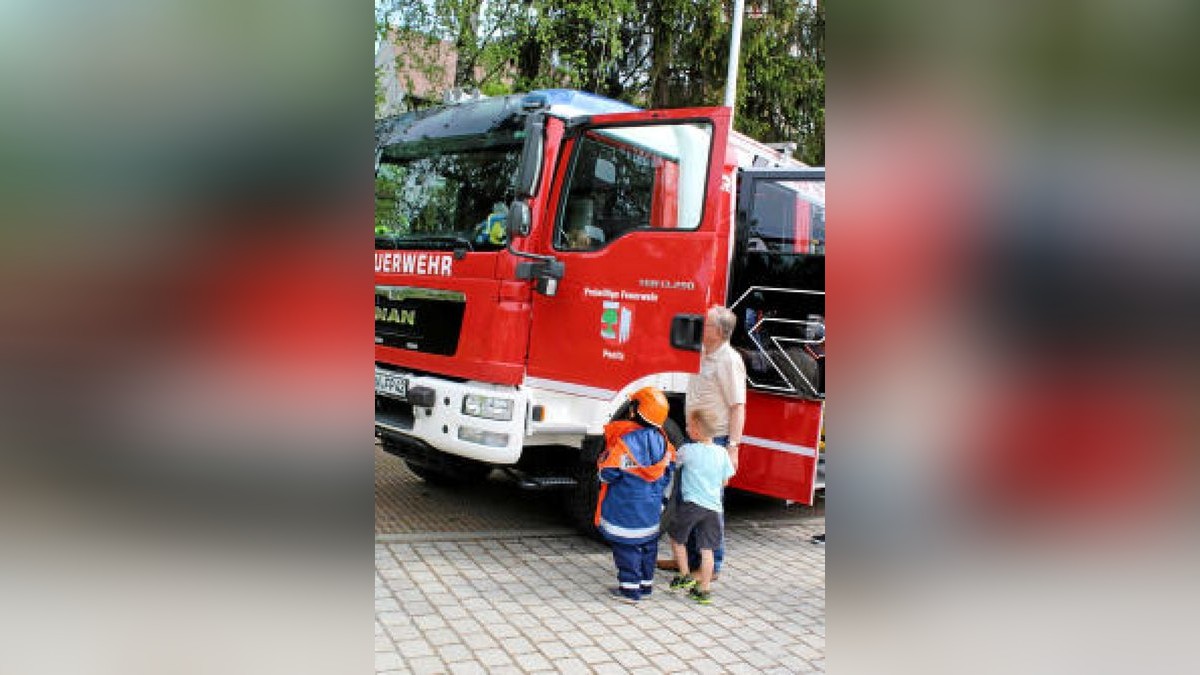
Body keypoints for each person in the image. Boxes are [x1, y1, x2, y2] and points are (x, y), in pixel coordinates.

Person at [658, 305, 746, 578]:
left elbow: (738, 406)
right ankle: (687, 557)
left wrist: (732, 447)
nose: (699, 326)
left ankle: (712, 566)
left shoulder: (729, 361)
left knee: (708, 502)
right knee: (686, 498)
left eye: (705, 324)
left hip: (715, 439)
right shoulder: (702, 353)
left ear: (719, 332)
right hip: (695, 435)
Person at [596, 386, 676, 604]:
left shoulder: (624, 444)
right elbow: (669, 470)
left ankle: (630, 590)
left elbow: (608, 473)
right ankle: (646, 585)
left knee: (627, 548)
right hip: (650, 511)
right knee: (648, 545)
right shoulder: (664, 443)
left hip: (625, 510)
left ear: (636, 411)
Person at [667, 408, 735, 605]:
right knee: (708, 550)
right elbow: (726, 482)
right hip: (714, 508)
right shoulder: (722, 453)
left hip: (691, 505)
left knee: (676, 537)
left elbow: (673, 464)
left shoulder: (688, 450)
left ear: (695, 431)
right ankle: (704, 590)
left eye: (688, 425)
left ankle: (685, 574)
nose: (687, 428)